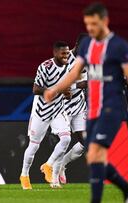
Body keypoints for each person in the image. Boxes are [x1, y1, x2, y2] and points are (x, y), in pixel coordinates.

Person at [44, 3, 128, 203]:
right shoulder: (87, 45)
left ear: (105, 21)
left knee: (95, 152)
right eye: (87, 24)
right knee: (93, 157)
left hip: (112, 107)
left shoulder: (120, 46)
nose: (90, 28)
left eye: (94, 23)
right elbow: (75, 73)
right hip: (92, 109)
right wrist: (55, 89)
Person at [20, 41, 72, 189]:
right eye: (63, 53)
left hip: (58, 110)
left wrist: (67, 93)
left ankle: (48, 165)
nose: (66, 56)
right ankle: (24, 175)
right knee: (34, 146)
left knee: (66, 138)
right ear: (55, 53)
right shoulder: (45, 67)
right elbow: (36, 89)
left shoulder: (69, 67)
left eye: (67, 53)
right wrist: (56, 90)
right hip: (41, 111)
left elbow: (67, 88)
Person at [41, 33, 89, 185]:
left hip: (79, 106)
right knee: (65, 140)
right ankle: (53, 176)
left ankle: (61, 165)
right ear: (77, 44)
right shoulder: (65, 60)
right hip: (63, 106)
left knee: (85, 142)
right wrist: (80, 85)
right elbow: (59, 86)